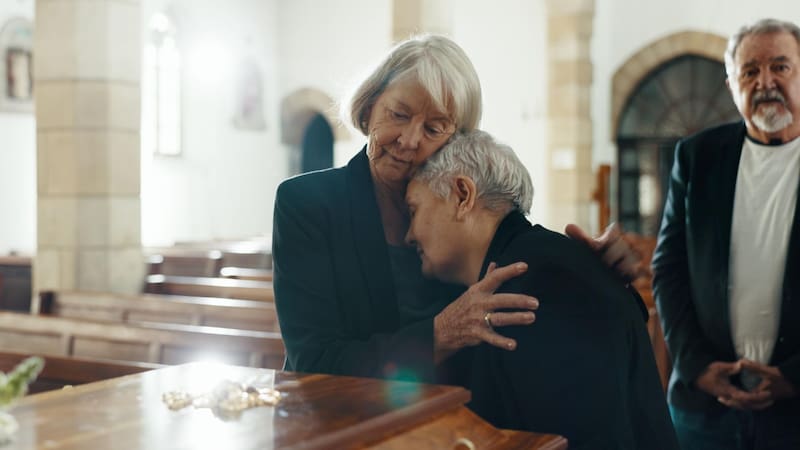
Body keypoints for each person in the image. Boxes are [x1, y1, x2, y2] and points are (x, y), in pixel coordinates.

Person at [273, 34, 643, 383]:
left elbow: (522, 262)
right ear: (369, 110)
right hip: (339, 424)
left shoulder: (466, 208)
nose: (409, 140)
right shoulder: (307, 203)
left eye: (434, 128)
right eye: (399, 115)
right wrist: (439, 335)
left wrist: (600, 269)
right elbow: (314, 363)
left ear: (457, 141)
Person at [404, 130, 678, 449]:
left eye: (413, 211)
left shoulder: (541, 284)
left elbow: (579, 439)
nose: (409, 235)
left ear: (462, 195)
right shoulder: (538, 262)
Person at [652, 18, 800, 450]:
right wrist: (697, 366)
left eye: (781, 67)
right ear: (732, 83)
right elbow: (669, 269)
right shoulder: (698, 156)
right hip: (706, 404)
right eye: (750, 71)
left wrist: (793, 377)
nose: (765, 82)